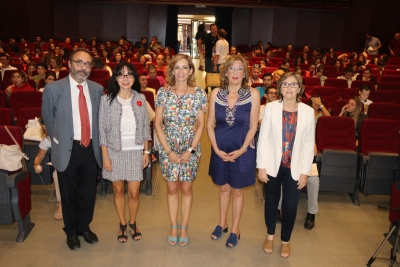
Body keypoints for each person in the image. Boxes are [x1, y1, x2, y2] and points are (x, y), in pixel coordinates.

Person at [41, 48, 103, 251]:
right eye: (79, 62)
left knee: (87, 192)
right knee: (67, 194)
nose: (83, 67)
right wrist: (59, 140)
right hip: (67, 148)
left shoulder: (97, 89)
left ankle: (84, 227)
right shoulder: (53, 88)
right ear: (69, 64)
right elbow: (48, 120)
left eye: (87, 64)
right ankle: (71, 231)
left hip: (90, 149)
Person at [257, 72, 314, 258]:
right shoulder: (270, 108)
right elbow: (263, 139)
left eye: (293, 84)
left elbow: (307, 145)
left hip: (295, 167)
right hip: (273, 165)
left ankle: (286, 240)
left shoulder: (308, 111)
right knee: (271, 203)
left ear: (299, 88)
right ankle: (270, 236)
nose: (289, 88)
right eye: (285, 84)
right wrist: (262, 166)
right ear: (280, 88)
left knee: (290, 206)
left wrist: (305, 172)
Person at [207, 55, 260, 248]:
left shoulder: (253, 94)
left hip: (242, 149)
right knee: (223, 188)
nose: (236, 72)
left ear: (245, 73)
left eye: (240, 69)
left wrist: (242, 149)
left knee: (237, 191)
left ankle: (236, 229)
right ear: (226, 72)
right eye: (232, 68)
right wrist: (215, 149)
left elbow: (254, 126)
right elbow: (210, 125)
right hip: (220, 149)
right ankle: (223, 223)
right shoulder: (215, 94)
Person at [154, 54, 207, 247]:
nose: (181, 72)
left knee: (186, 188)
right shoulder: (162, 93)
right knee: (171, 188)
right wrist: (168, 151)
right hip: (168, 147)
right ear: (172, 71)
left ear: (191, 71)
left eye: (185, 67)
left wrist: (191, 150)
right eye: (177, 68)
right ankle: (173, 225)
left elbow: (201, 125)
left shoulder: (199, 93)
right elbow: (158, 124)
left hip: (190, 148)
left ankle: (184, 226)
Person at [99, 62, 151, 243]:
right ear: (115, 78)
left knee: (135, 193)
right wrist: (105, 156)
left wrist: (146, 152)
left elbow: (145, 126)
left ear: (134, 78)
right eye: (121, 75)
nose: (126, 79)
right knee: (118, 190)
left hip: (136, 151)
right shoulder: (106, 100)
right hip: (114, 151)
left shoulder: (140, 99)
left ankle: (133, 222)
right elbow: (102, 130)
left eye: (129, 75)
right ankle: (122, 224)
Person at [33, 117, 63, 220]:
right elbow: (39, 156)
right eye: (44, 127)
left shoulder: (65, 134)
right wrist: (36, 165)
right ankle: (60, 203)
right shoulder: (47, 139)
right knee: (57, 174)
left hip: (74, 164)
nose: (46, 128)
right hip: (60, 167)